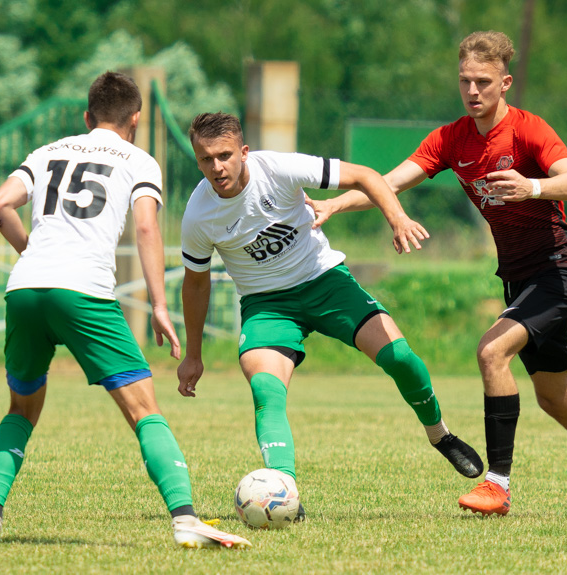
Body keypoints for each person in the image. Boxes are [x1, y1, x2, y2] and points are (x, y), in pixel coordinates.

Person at [307, 31, 567, 518]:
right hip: (521, 280)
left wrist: (532, 186)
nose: (472, 90)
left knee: (490, 351)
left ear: (505, 83)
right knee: (556, 398)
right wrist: (335, 202)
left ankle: (496, 485)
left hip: (559, 272)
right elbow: (389, 182)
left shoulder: (528, 130)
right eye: (464, 81)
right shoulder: (450, 139)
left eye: (483, 81)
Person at [0, 72, 251, 549]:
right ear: (135, 119)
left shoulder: (48, 151)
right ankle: (185, 521)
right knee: (145, 412)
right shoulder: (139, 160)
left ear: (87, 116)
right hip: (85, 291)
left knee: (21, 409)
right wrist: (160, 303)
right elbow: (145, 229)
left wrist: (32, 252)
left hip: (27, 287)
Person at [176, 112, 483, 520]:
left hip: (326, 282)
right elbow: (196, 284)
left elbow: (367, 176)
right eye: (205, 159)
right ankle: (285, 491)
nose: (216, 167)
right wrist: (193, 355)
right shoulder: (199, 214)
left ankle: (440, 435)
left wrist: (398, 218)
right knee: (265, 389)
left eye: (225, 155)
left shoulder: (279, 169)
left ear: (244, 152)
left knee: (401, 358)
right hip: (268, 305)